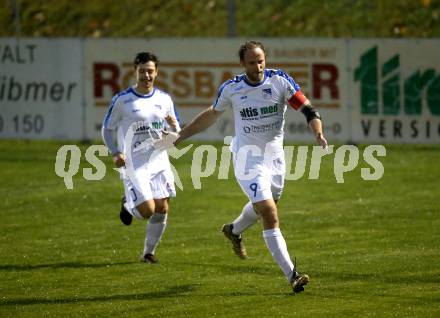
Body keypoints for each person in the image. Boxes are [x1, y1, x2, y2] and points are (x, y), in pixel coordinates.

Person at [175, 41, 327, 293]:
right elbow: (212, 114)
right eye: (252, 63)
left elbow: (308, 109)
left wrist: (318, 133)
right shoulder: (232, 88)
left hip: (275, 159)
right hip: (248, 160)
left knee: (265, 206)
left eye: (261, 61)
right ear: (242, 64)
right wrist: (183, 134)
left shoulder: (280, 81)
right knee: (268, 211)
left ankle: (233, 230)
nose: (257, 67)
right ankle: (292, 275)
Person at [102, 52, 180, 264]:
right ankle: (128, 204)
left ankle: (148, 253)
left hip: (159, 160)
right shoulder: (122, 100)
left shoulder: (164, 99)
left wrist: (173, 128)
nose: (147, 75)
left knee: (162, 208)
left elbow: (175, 134)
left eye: (150, 71)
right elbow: (107, 129)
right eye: (142, 71)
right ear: (135, 71)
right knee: (147, 211)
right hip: (134, 163)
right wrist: (115, 152)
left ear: (157, 72)